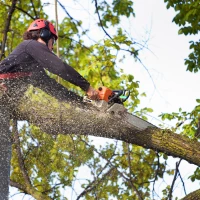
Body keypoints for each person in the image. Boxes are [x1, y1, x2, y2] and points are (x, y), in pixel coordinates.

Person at [0, 18, 99, 199]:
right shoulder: (30, 45)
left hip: (3, 109)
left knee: (3, 147)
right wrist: (87, 87)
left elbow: (56, 90)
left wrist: (85, 104)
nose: (52, 46)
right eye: (52, 41)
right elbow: (59, 67)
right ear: (44, 35)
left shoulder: (32, 69)